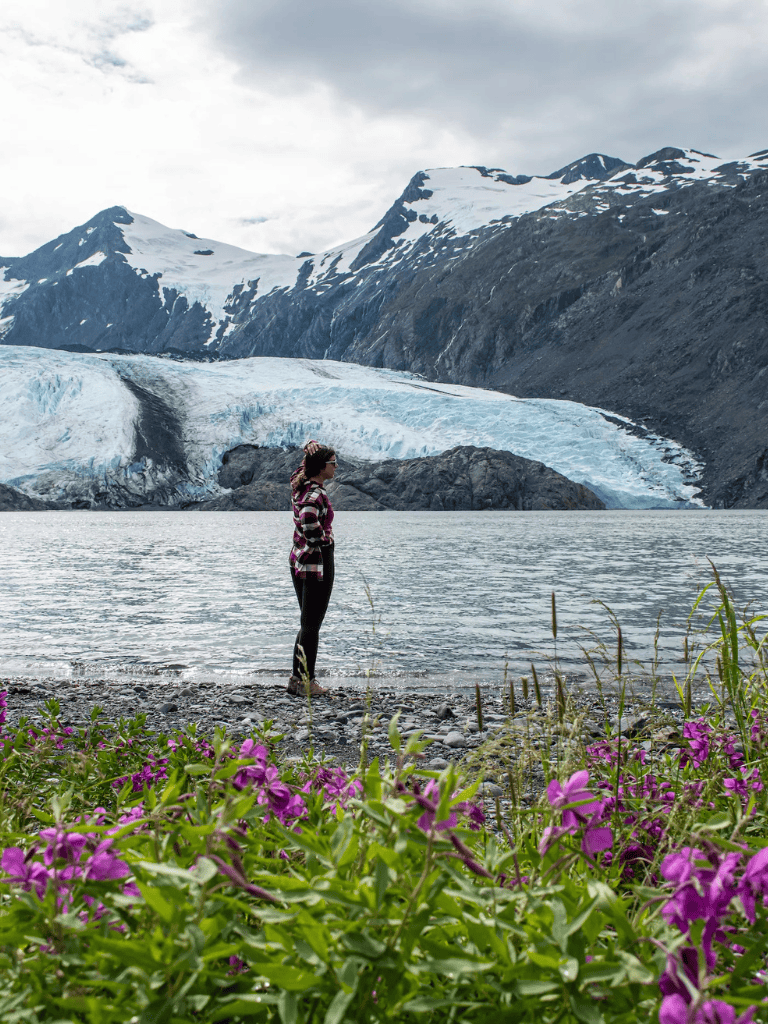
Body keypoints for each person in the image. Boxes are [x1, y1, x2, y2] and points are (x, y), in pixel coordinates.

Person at [287, 440, 337, 697]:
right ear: (321, 467)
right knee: (311, 624)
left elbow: (298, 472)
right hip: (317, 560)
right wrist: (325, 540)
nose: (336, 467)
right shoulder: (316, 493)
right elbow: (309, 521)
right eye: (332, 463)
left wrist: (307, 454)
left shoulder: (301, 484)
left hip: (300, 557)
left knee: (306, 622)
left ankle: (297, 680)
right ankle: (306, 681)